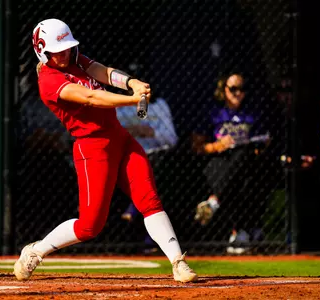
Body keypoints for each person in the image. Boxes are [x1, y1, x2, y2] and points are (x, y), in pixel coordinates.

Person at [13, 18, 197, 282]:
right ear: (43, 51)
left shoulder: (74, 58)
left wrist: (131, 82)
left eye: (66, 47)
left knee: (149, 199)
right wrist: (132, 99)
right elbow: (92, 98)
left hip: (120, 140)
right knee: (90, 226)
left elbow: (105, 72)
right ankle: (36, 250)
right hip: (92, 149)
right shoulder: (49, 82)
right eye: (58, 50)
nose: (65, 53)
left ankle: (178, 263)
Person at [192, 73, 268, 253]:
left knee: (243, 158)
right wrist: (219, 145)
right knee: (237, 178)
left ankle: (215, 201)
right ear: (224, 90)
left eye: (242, 89)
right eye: (233, 89)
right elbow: (197, 147)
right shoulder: (214, 113)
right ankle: (239, 233)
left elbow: (262, 143)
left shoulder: (252, 115)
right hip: (218, 162)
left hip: (246, 163)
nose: (238, 93)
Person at [116, 95, 179, 253]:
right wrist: (128, 132)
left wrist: (151, 132)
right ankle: (140, 234)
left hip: (156, 156)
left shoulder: (159, 104)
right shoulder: (117, 103)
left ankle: (133, 211)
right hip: (125, 157)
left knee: (158, 167)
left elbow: (172, 140)